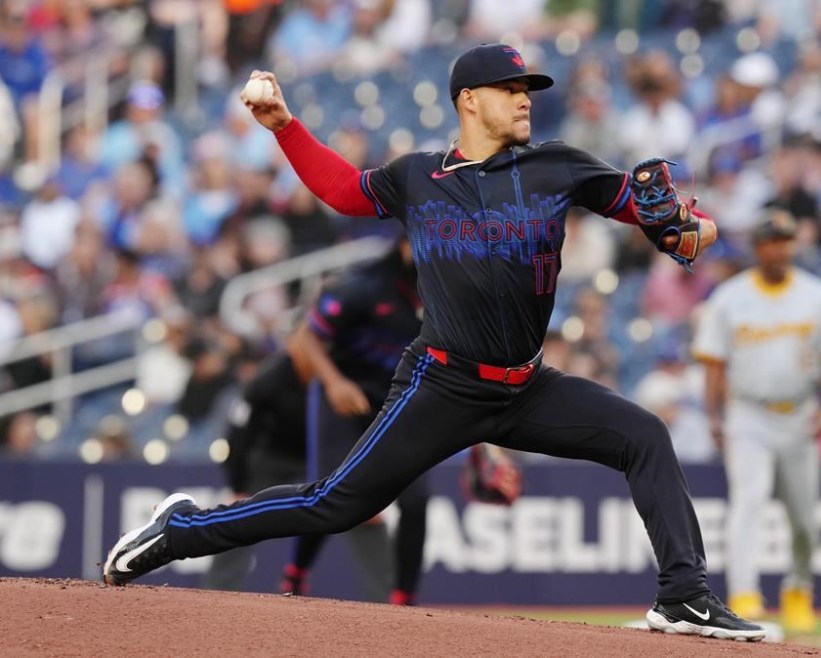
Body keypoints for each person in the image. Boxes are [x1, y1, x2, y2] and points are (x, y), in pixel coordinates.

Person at [103, 43, 764, 642]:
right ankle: (181, 528)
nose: (525, 97)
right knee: (336, 504)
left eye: (528, 87)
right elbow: (342, 190)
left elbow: (664, 218)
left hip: (528, 386)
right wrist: (283, 125)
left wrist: (692, 228)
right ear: (469, 100)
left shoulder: (558, 166)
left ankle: (684, 596)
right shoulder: (418, 177)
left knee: (642, 434)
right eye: (511, 87)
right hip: (441, 385)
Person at [203, 236, 430, 606]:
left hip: (340, 444)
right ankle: (216, 594)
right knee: (247, 508)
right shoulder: (275, 377)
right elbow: (242, 424)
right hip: (273, 460)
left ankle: (392, 603)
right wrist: (237, 482)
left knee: (361, 510)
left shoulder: (377, 361)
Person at [692, 209, 821, 633]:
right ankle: (745, 592)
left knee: (804, 515)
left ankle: (799, 590)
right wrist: (714, 415)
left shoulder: (819, 296)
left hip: (800, 412)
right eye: (771, 241)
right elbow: (714, 364)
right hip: (748, 412)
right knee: (750, 498)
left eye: (785, 240)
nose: (779, 248)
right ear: (758, 247)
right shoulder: (729, 297)